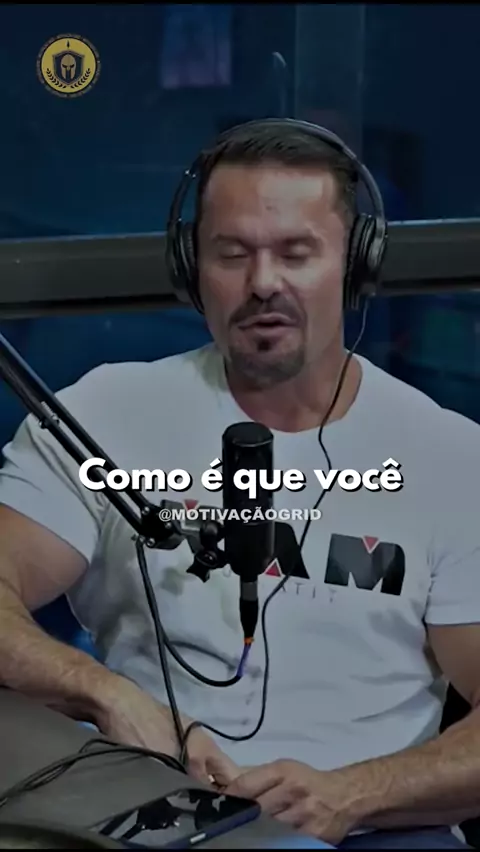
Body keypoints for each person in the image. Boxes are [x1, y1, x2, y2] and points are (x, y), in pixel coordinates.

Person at [0, 121, 479, 851]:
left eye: (296, 253)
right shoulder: (104, 415)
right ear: (192, 267)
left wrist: (354, 793)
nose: (262, 284)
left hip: (372, 828)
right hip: (149, 814)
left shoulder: (449, 457)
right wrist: (102, 691)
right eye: (232, 253)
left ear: (355, 264)